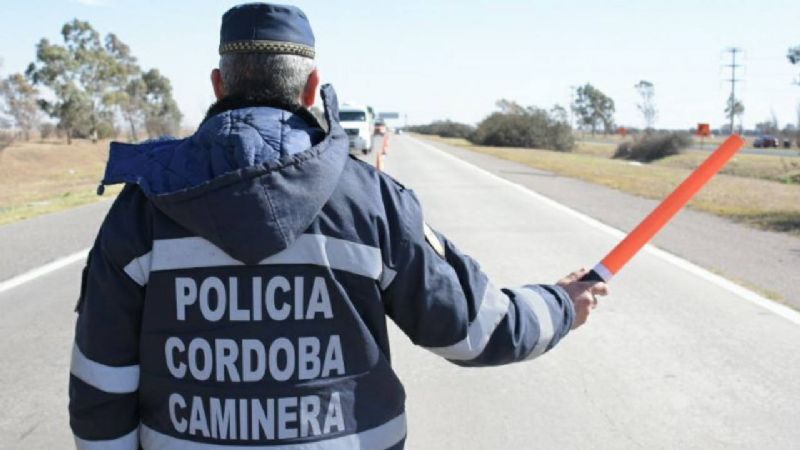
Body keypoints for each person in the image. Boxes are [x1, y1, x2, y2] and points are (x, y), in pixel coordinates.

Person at [68, 3, 607, 449]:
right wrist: (561, 303)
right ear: (312, 88)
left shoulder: (142, 208)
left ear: (217, 85)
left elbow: (101, 385)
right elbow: (475, 330)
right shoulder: (371, 201)